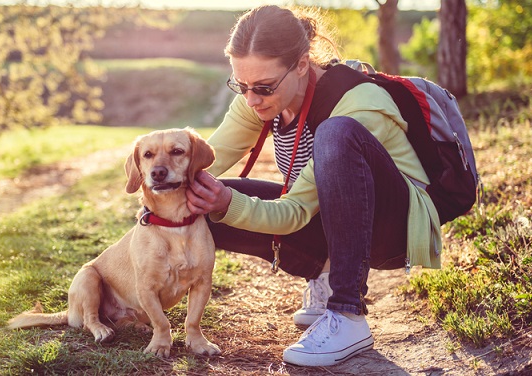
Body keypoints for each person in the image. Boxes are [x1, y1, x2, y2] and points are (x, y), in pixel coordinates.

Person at [185, 5, 442, 368]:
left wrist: (229, 202)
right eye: (241, 86)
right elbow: (202, 162)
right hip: (329, 218)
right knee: (197, 200)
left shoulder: (357, 105)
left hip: (392, 230)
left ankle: (348, 313)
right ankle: (324, 272)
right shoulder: (259, 99)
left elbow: (293, 213)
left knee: (334, 135)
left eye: (263, 87)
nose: (251, 99)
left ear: (302, 65)